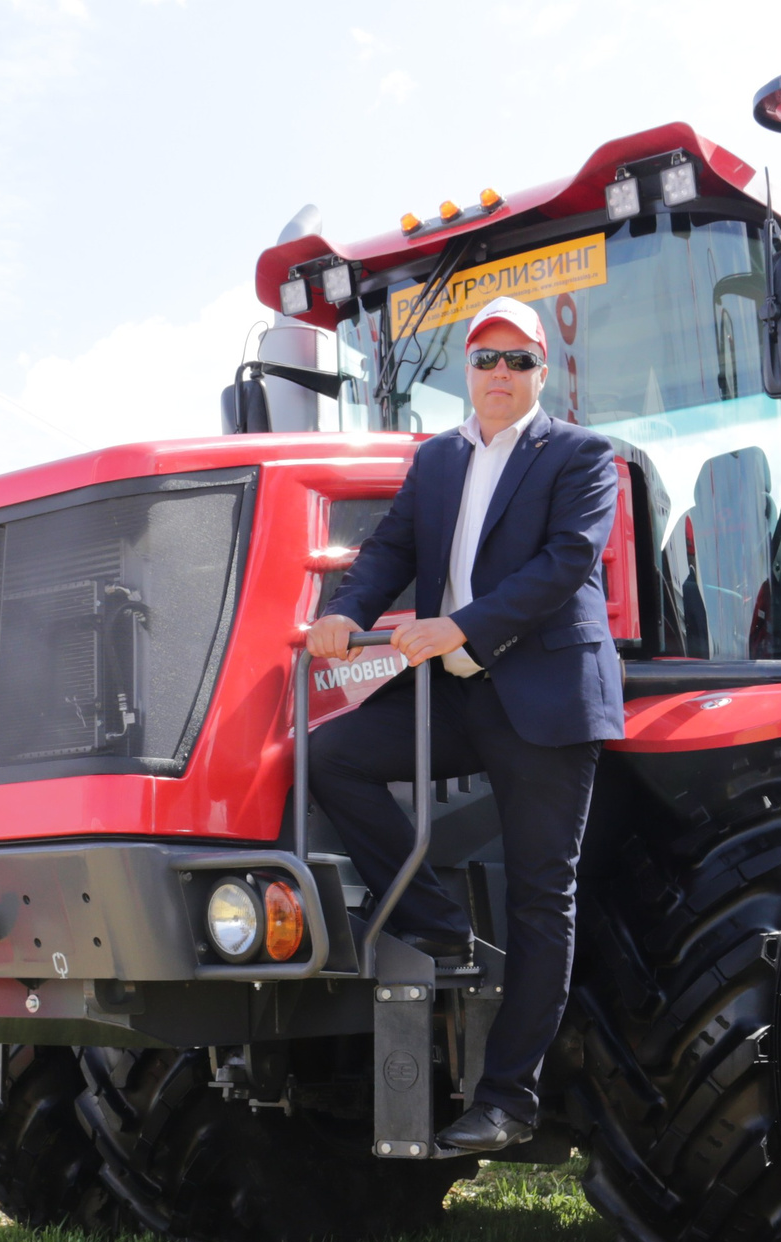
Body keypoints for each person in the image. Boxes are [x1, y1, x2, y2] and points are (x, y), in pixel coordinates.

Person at [305, 295, 623, 1157]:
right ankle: (438, 923)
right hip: (457, 690)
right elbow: (395, 549)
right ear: (467, 370)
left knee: (539, 896)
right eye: (487, 359)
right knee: (333, 755)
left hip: (546, 692)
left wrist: (462, 625)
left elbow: (566, 564)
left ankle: (508, 1098)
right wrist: (347, 610)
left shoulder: (585, 456)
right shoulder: (439, 459)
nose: (500, 375)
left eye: (519, 360)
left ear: (541, 373)